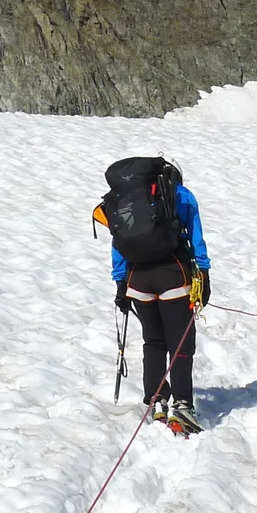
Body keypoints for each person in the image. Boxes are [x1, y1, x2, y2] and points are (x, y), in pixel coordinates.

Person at [100, 156, 211, 436]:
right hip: (174, 274)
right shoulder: (179, 195)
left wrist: (120, 285)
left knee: (153, 340)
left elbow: (118, 245)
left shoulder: (122, 201)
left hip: (137, 280)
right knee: (181, 344)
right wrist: (204, 274)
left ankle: (156, 400)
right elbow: (195, 237)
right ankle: (183, 405)